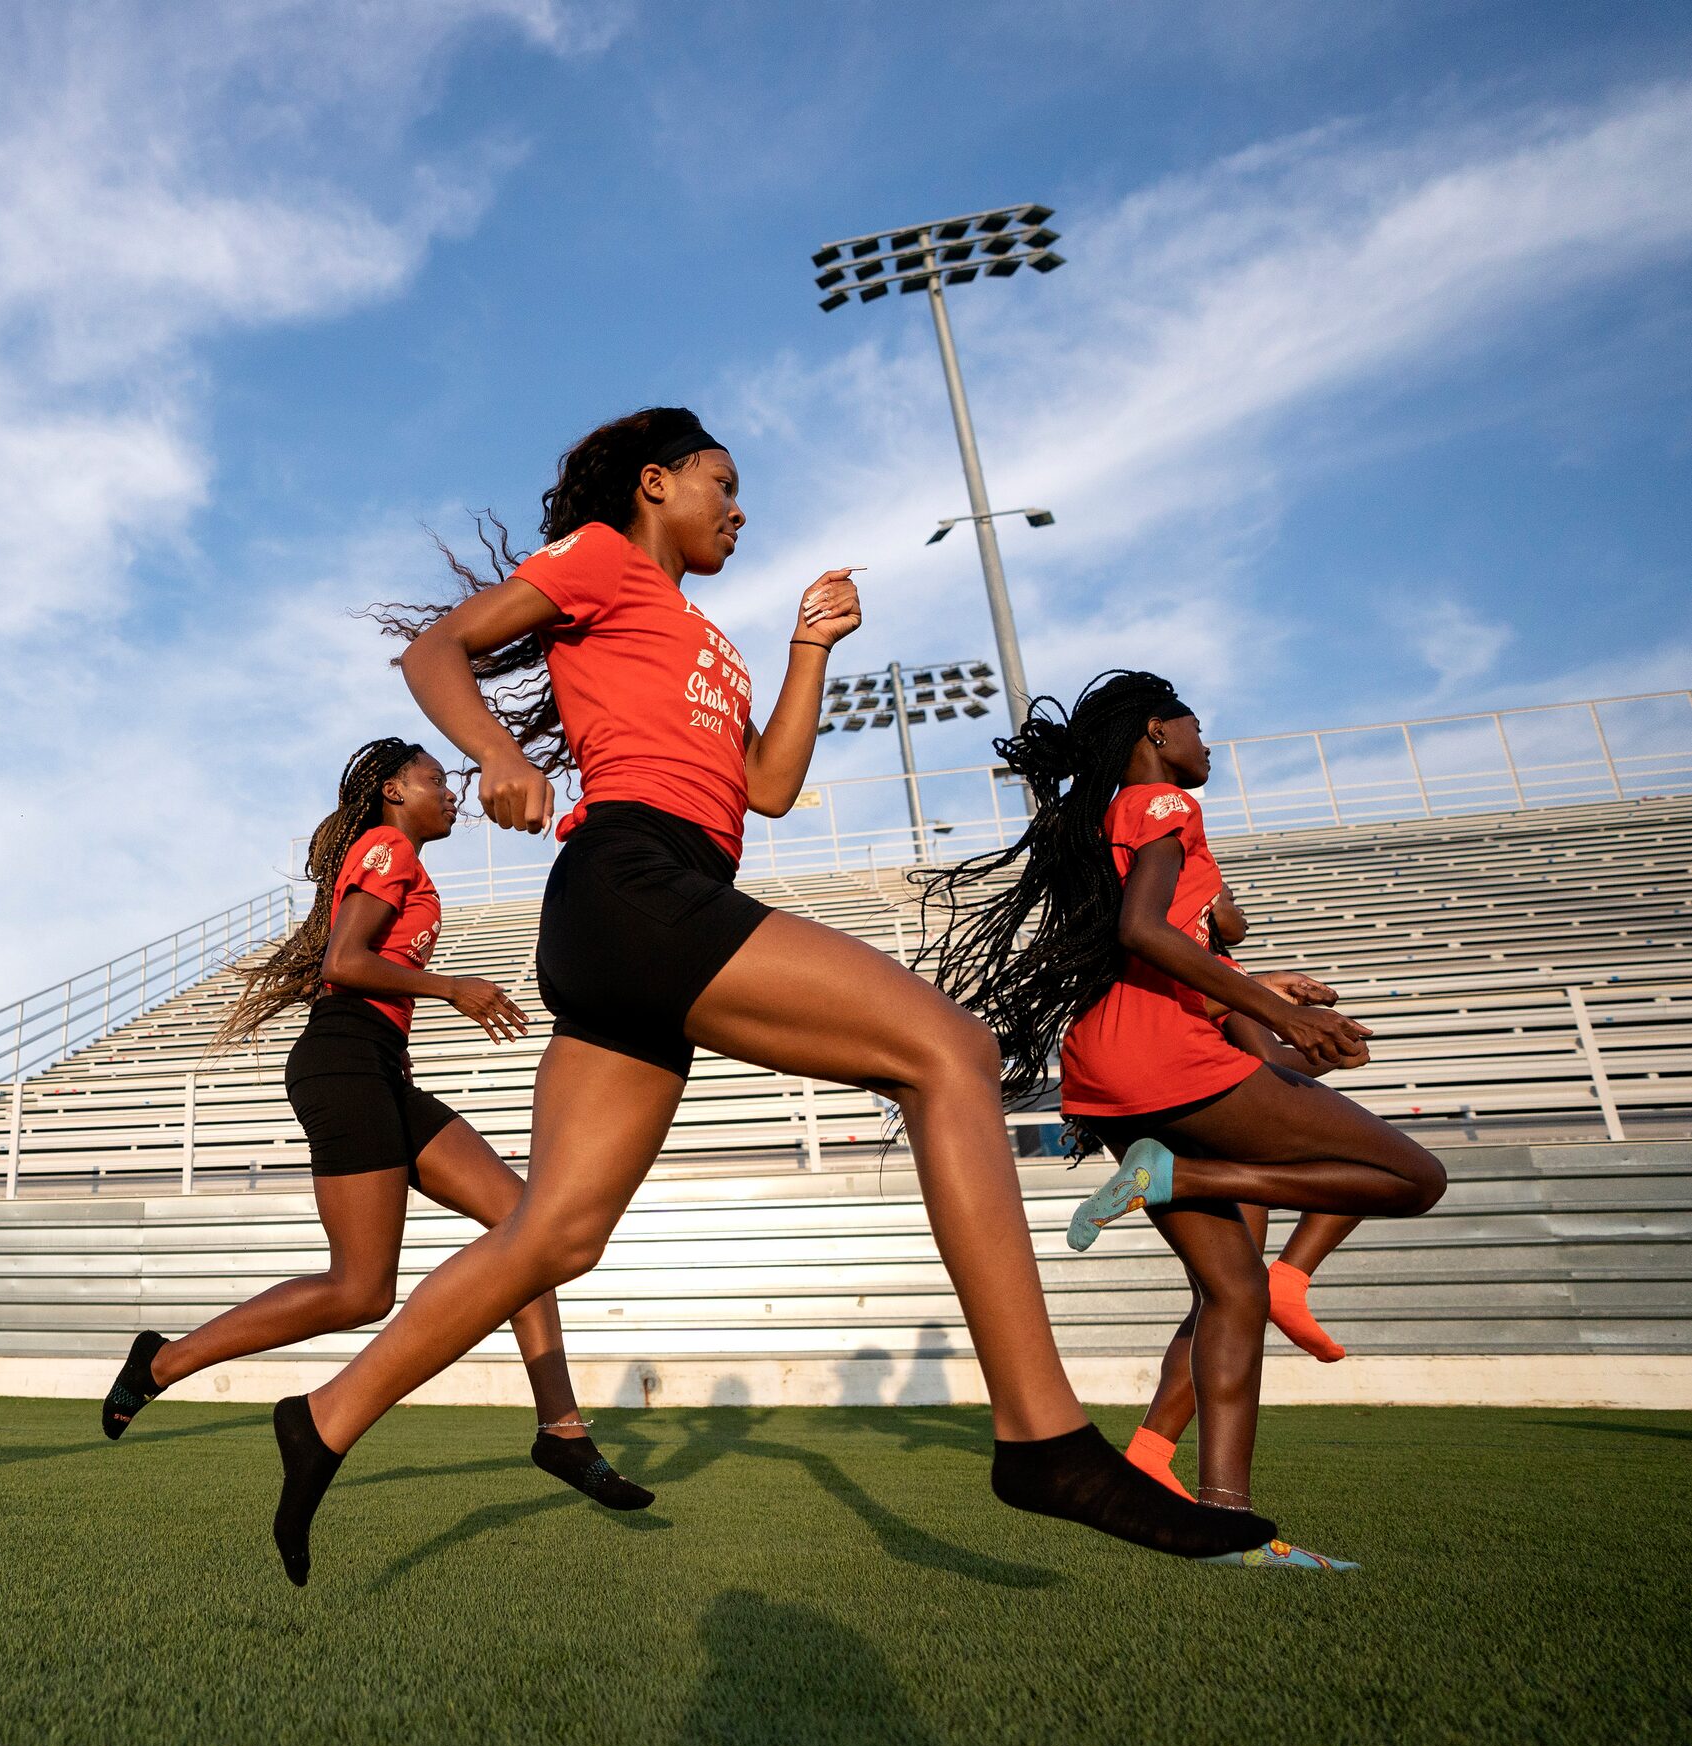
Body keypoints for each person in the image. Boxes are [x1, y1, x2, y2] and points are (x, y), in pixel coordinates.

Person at [261, 406, 1278, 1585]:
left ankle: (324, 1418)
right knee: (945, 1050)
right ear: (655, 483)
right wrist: (499, 753)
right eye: (721, 483)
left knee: (560, 1232)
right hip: (632, 881)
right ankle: (1043, 1437)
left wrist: (809, 649)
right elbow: (432, 653)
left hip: (653, 904)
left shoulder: (712, 641)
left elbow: (772, 788)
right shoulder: (597, 559)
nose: (739, 509)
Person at [921, 670, 1442, 1562]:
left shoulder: (1111, 818)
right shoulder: (1157, 801)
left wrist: (1257, 981)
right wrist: (1285, 1014)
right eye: (1197, 730)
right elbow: (1142, 931)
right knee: (1414, 1178)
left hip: (1116, 1070)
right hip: (1167, 1063)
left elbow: (1200, 934)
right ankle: (1183, 1173)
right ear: (1157, 734)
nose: (1209, 747)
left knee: (1230, 1295)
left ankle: (1227, 1526)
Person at [101, 737, 650, 1511]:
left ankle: (560, 1431)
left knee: (528, 1228)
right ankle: (161, 1363)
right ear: (393, 789)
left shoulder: (401, 857)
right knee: (360, 1291)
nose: (451, 792)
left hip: (379, 1067)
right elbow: (344, 963)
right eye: (436, 780)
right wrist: (450, 987)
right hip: (343, 1063)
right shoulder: (386, 846)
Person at [1122, 890, 1361, 1502]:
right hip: (1213, 1128)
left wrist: (1271, 992)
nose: (1235, 903)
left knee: (1222, 1297)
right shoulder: (1214, 973)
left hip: (1174, 1116)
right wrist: (1329, 1051)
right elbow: (1269, 1064)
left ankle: (1149, 1453)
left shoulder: (1192, 974)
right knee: (1366, 1160)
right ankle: (1294, 1277)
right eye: (1224, 893)